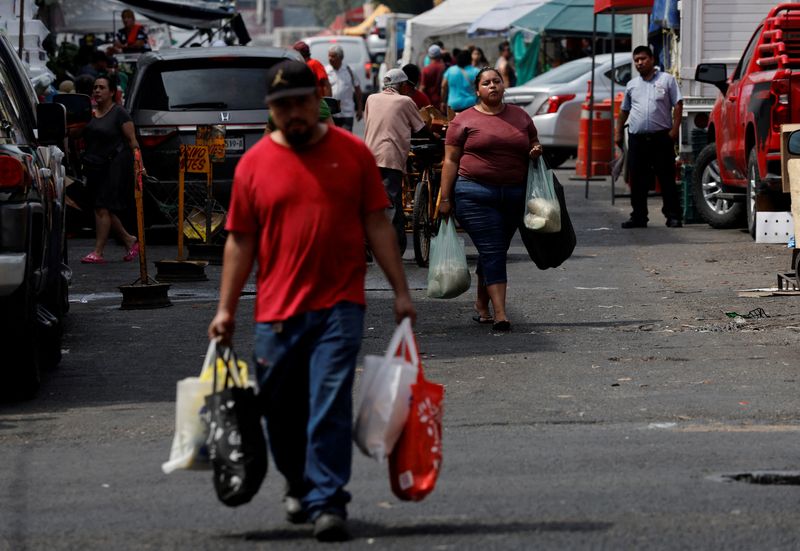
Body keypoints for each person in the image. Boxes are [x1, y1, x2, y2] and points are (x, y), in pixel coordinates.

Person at [207, 60, 415, 542]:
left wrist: (401, 291)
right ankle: (298, 484)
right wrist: (225, 309)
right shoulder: (254, 164)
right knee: (279, 411)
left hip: (340, 304)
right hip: (276, 313)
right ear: (271, 110)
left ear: (318, 98)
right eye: (283, 106)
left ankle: (328, 500)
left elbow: (377, 224)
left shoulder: (352, 154)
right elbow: (240, 241)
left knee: (329, 403)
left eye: (301, 102)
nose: (294, 113)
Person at [438, 67, 542, 332]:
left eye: (497, 81)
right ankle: (501, 314)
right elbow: (450, 161)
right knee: (494, 249)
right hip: (474, 194)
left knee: (493, 250)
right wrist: (445, 198)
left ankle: (481, 306)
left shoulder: (520, 116)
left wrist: (534, 150)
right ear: (477, 91)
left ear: (503, 86)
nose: (493, 86)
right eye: (487, 83)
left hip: (514, 195)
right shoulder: (463, 121)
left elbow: (532, 141)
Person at [615, 45, 683, 229]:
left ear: (652, 59)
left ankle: (673, 216)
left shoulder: (666, 80)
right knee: (637, 180)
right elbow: (624, 111)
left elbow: (678, 104)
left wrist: (675, 130)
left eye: (643, 59)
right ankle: (638, 216)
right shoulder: (632, 85)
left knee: (666, 178)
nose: (639, 63)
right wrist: (618, 132)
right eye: (636, 60)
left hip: (661, 138)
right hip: (637, 139)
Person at [79, 75, 142, 264]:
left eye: (102, 88)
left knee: (101, 206)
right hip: (94, 166)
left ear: (112, 92)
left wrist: (139, 165)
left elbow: (132, 141)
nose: (97, 91)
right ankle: (129, 240)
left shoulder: (119, 113)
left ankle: (98, 251)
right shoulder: (89, 113)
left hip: (114, 166)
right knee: (103, 207)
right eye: (95, 88)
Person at [364, 69, 427, 253]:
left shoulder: (371, 99)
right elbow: (421, 129)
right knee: (392, 202)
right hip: (389, 156)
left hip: (369, 156)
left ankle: (367, 244)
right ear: (403, 85)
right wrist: (435, 136)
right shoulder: (405, 101)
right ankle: (394, 246)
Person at [325, 44, 362, 131]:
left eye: (333, 56)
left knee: (346, 138)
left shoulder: (350, 71)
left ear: (340, 58)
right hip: (332, 113)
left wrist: (360, 109)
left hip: (347, 112)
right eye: (329, 56)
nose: (330, 59)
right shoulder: (326, 71)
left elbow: (358, 90)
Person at [420, 44, 445, 109]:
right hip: (443, 103)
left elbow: (422, 88)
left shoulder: (425, 70)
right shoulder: (444, 68)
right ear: (440, 55)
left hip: (430, 104)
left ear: (429, 56)